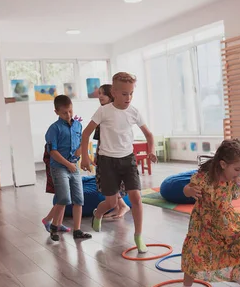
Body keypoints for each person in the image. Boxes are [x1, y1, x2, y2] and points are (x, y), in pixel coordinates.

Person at [80, 72, 157, 253]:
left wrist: (151, 151)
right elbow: (86, 134)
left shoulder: (134, 112)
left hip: (127, 160)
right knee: (111, 203)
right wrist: (84, 157)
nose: (128, 98)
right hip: (107, 161)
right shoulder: (104, 111)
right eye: (124, 94)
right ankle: (98, 213)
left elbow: (149, 135)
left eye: (131, 93)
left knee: (136, 199)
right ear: (114, 92)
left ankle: (138, 236)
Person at [179, 139, 240, 287]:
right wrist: (189, 191)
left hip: (226, 221)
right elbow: (186, 189)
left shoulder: (234, 179)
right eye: (237, 169)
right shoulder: (203, 178)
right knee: (195, 254)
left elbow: (235, 194)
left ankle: (236, 275)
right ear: (223, 164)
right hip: (203, 223)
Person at [45, 95, 92, 241]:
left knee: (79, 199)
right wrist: (68, 164)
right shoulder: (54, 129)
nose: (69, 115)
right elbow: (53, 152)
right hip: (60, 167)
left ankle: (77, 230)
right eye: (65, 112)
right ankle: (53, 226)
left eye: (70, 111)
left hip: (74, 166)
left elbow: (82, 143)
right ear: (57, 112)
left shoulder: (78, 125)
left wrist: (84, 156)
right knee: (64, 197)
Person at [94, 84, 131, 219]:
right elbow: (99, 137)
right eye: (99, 94)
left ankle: (121, 206)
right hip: (104, 154)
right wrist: (96, 153)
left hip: (116, 156)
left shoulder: (116, 112)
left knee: (113, 182)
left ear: (111, 95)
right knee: (107, 183)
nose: (100, 96)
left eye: (102, 93)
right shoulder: (101, 112)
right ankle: (118, 206)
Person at [41, 144, 70, 235]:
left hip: (64, 169)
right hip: (56, 170)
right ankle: (47, 219)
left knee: (63, 196)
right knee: (63, 197)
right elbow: (50, 158)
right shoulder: (53, 141)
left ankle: (58, 223)